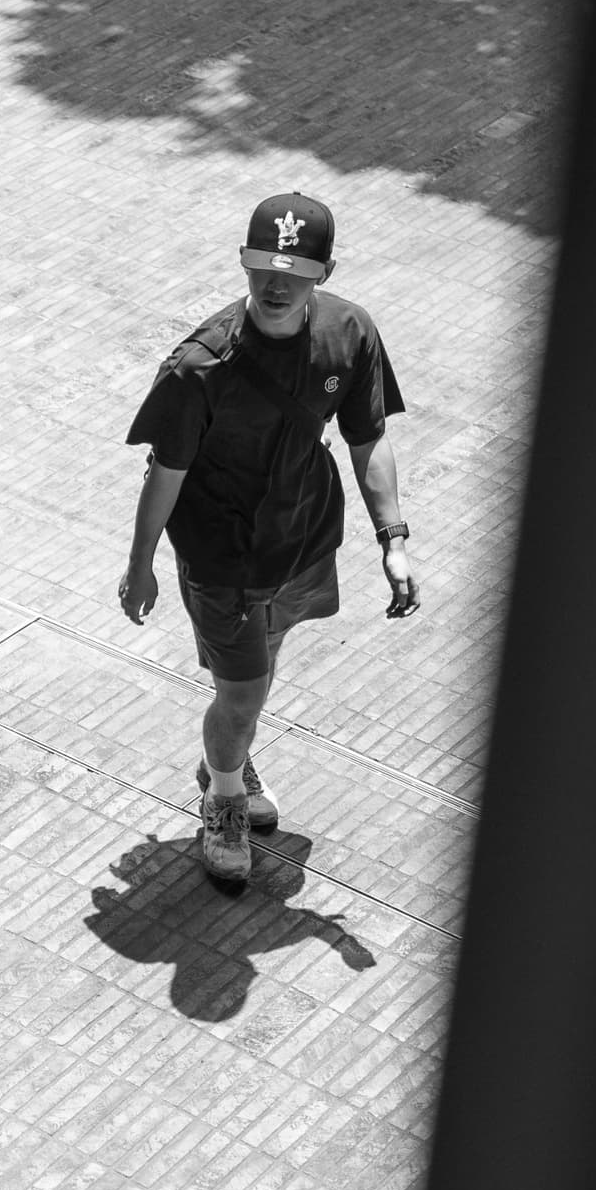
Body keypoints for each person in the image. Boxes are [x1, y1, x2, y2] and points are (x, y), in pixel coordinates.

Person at [116, 192, 418, 892]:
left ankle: (228, 756)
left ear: (324, 270)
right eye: (261, 268)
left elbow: (368, 438)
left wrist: (393, 538)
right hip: (222, 554)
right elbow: (165, 474)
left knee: (256, 672)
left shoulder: (350, 331)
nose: (274, 284)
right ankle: (223, 800)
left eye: (293, 270)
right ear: (245, 265)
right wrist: (140, 567)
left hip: (303, 536)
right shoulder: (201, 367)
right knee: (246, 689)